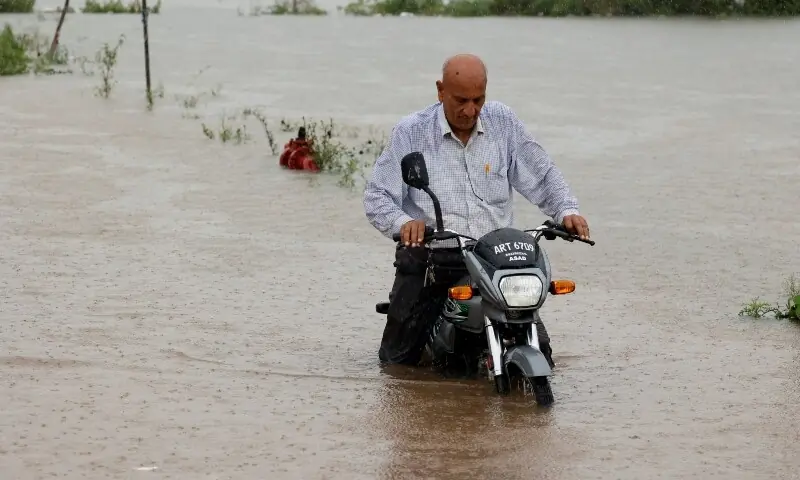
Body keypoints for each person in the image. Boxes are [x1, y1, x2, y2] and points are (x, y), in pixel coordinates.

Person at [363, 53, 591, 366]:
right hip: (435, 253)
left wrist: (566, 210)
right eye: (461, 100)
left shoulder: (503, 122)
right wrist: (404, 223)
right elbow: (377, 196)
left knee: (544, 355)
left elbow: (541, 173)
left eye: (478, 99)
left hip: (494, 256)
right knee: (397, 365)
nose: (471, 110)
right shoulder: (411, 132)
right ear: (441, 91)